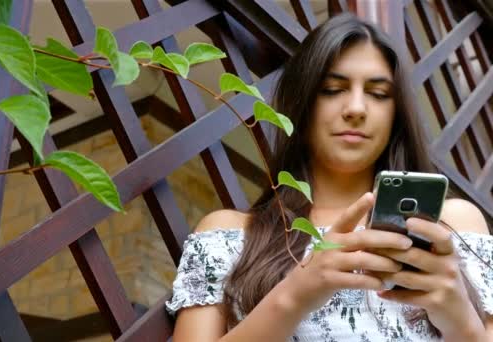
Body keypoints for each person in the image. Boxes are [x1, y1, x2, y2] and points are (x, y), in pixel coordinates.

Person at [164, 13, 493, 341]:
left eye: (378, 93)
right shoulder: (229, 233)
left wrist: (462, 324)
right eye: (333, 89)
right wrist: (295, 295)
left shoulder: (452, 226)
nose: (356, 108)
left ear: (397, 114)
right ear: (302, 103)